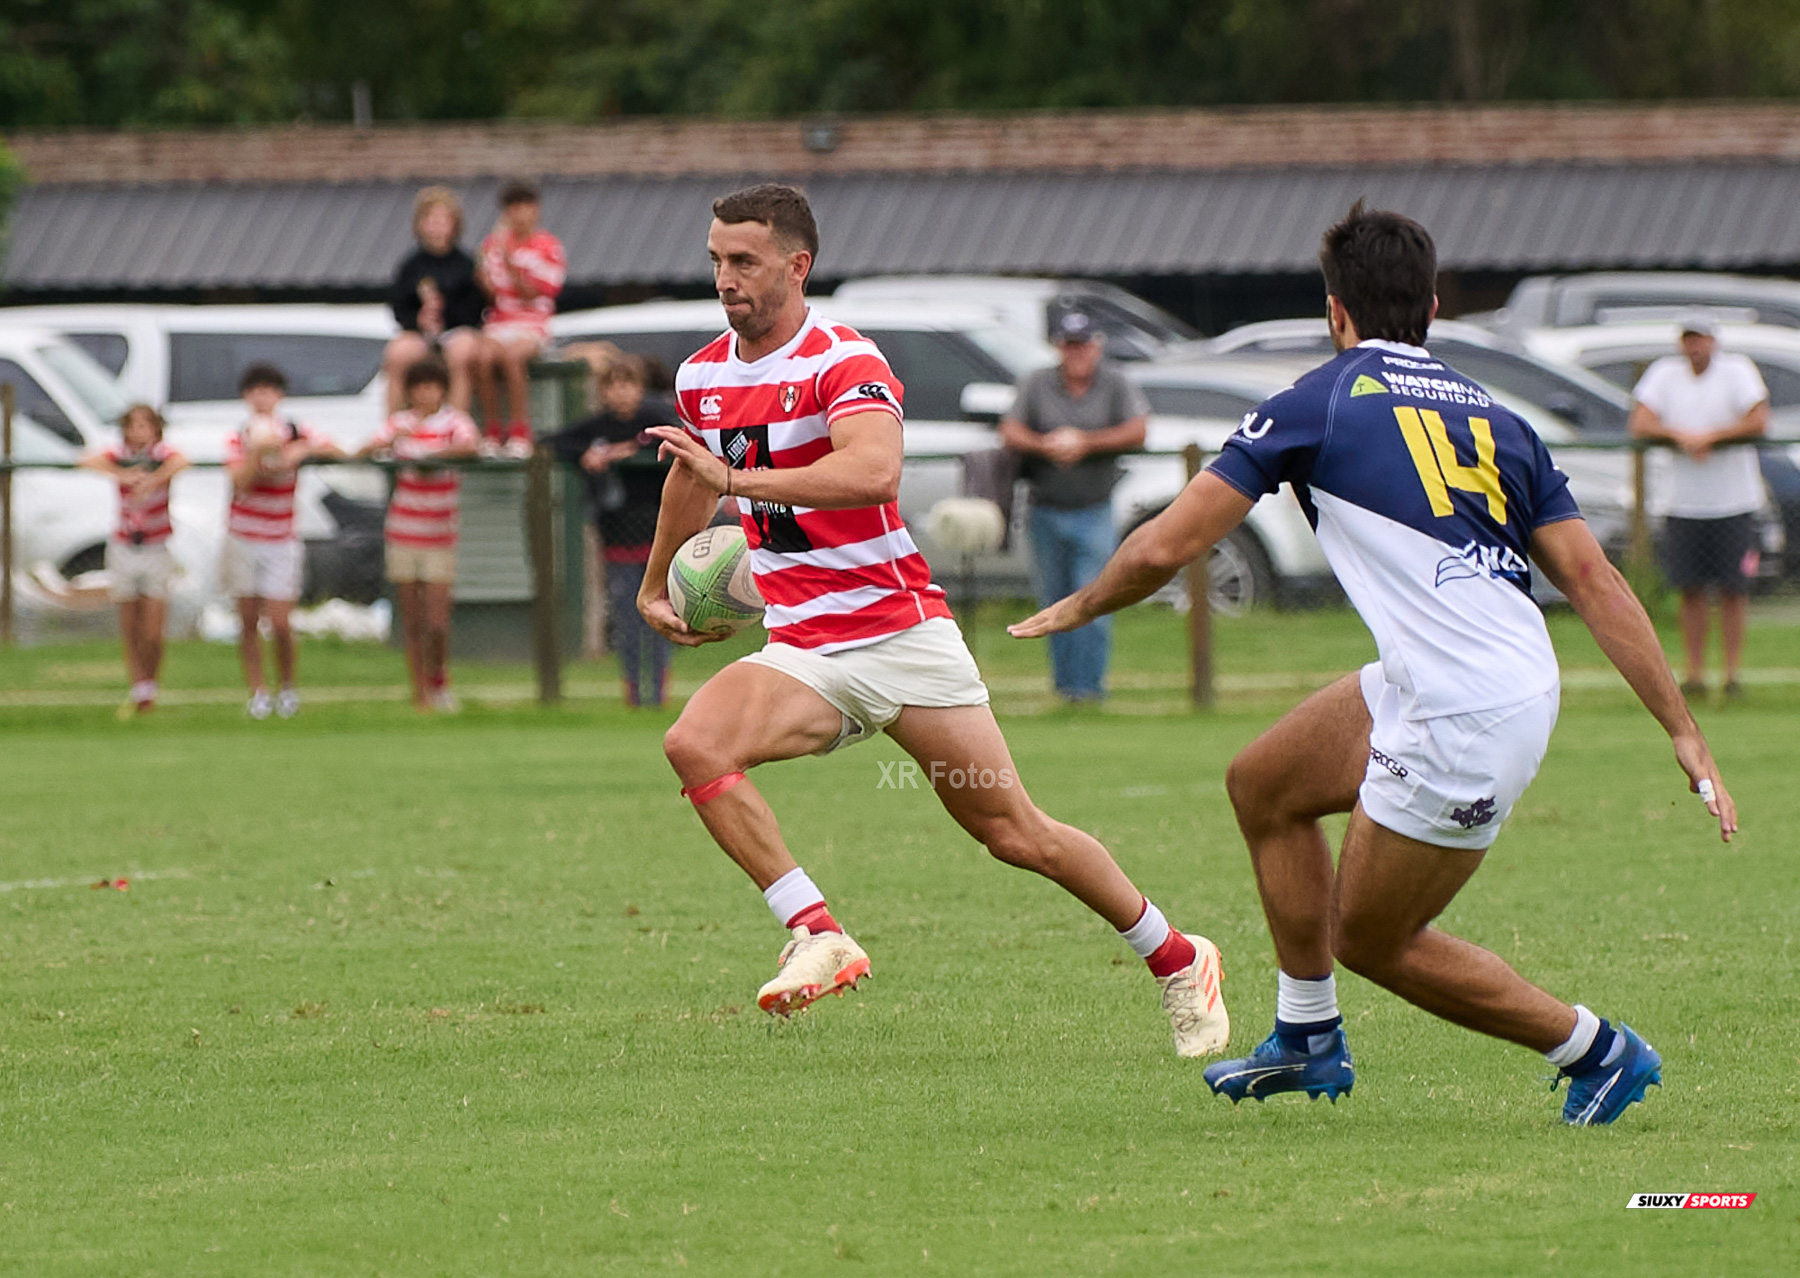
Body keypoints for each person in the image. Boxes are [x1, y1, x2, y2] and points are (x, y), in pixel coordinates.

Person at [1010, 202, 1738, 1126]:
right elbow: (1594, 581)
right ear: (1431, 307)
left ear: (1334, 313)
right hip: (1477, 675)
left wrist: (1078, 606)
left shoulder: (1314, 399)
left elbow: (1162, 549)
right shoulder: (1501, 422)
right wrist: (1681, 727)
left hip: (1463, 708)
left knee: (1376, 938)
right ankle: (1307, 1041)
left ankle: (1597, 1050)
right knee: (1264, 784)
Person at [636, 183, 1227, 1055]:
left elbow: (871, 471)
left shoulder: (845, 360)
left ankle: (1178, 958)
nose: (727, 277)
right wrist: (656, 586)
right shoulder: (704, 374)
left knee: (1014, 833)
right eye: (717, 260)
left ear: (797, 266)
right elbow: (692, 472)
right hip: (802, 643)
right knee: (694, 744)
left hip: (900, 636)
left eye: (745, 261)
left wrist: (738, 484)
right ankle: (817, 931)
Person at [999, 311, 1148, 702]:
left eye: (1083, 344)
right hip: (1045, 507)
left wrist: (1085, 442)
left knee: (1093, 598)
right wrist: (1046, 444)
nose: (1076, 352)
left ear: (1096, 346)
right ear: (1058, 347)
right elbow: (1010, 429)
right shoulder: (1036, 382)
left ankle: (1091, 689)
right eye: (1069, 344)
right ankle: (1065, 689)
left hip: (1094, 506)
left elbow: (1138, 429)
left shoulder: (1115, 383)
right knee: (1053, 601)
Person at [1629, 314, 1770, 701]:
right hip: (1682, 502)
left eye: (1701, 338)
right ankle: (1694, 674)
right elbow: (1640, 421)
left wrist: (1712, 437)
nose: (1695, 346)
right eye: (1688, 339)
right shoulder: (1664, 374)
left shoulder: (1738, 371)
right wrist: (1680, 435)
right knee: (1689, 590)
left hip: (1734, 501)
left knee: (1733, 590)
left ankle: (1731, 674)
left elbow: (1758, 419)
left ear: (1714, 341)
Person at [549, 354, 677, 708]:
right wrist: (589, 454)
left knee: (661, 616)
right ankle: (633, 692)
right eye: (613, 384)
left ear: (640, 388)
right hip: (617, 536)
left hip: (657, 535)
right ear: (603, 391)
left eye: (629, 383)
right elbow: (555, 441)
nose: (621, 392)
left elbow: (675, 436)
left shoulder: (653, 421)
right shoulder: (597, 426)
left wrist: (627, 450)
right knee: (626, 616)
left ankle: (659, 693)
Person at [356, 357, 480, 712]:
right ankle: (419, 692)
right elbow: (364, 449)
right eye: (420, 386)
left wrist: (432, 453)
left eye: (433, 385)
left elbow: (470, 446)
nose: (427, 393)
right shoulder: (400, 424)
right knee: (411, 619)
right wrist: (392, 439)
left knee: (437, 621)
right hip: (403, 531)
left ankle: (439, 678)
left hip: (440, 533)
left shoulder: (454, 422)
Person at [224, 363, 342, 720]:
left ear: (280, 395)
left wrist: (300, 450)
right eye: (255, 390)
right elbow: (238, 481)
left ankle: (288, 687)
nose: (262, 397)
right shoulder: (239, 435)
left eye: (269, 390)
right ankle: (257, 691)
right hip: (244, 536)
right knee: (247, 620)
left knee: (280, 622)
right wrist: (257, 456)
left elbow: (340, 450)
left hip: (281, 538)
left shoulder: (295, 431)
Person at [79, 404, 188, 717]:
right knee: (130, 624)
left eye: (146, 425)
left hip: (156, 546)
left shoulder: (161, 454)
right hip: (125, 546)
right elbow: (85, 460)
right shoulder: (120, 455)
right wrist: (121, 475)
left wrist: (154, 480)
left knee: (153, 629)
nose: (139, 432)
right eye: (133, 425)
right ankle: (138, 689)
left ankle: (151, 683)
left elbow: (183, 460)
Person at [475, 180, 567, 457]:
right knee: (483, 359)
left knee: (513, 358)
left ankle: (519, 431)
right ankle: (491, 431)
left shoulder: (548, 247)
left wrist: (510, 262)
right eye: (512, 209)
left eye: (524, 208)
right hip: (499, 321)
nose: (519, 215)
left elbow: (533, 293)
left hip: (532, 323)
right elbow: (493, 294)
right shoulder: (493, 244)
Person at [382, 186, 486, 415]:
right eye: (431, 219)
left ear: (454, 225)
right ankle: (394, 426)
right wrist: (418, 320)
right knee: (398, 353)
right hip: (421, 333)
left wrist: (446, 315)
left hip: (457, 330)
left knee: (461, 353)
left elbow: (476, 308)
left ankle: (456, 423)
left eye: (443, 220)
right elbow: (399, 306)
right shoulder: (411, 265)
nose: (437, 226)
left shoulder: (466, 264)